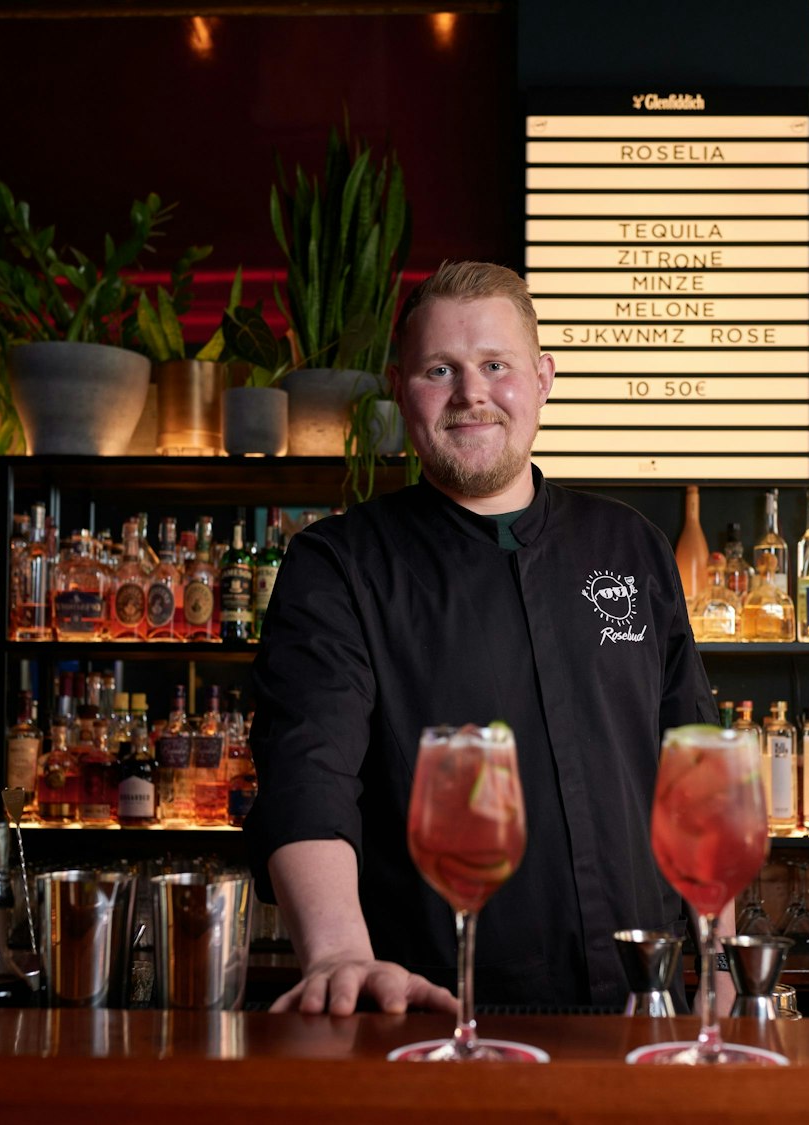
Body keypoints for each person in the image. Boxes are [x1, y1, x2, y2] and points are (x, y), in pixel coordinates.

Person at [246, 261, 718, 1015]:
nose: (471, 393)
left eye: (495, 365)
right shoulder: (337, 566)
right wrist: (338, 953)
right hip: (434, 1013)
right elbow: (309, 773)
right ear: (400, 389)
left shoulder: (631, 546)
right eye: (441, 369)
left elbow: (697, 769)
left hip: (644, 1010)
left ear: (542, 378)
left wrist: (718, 958)